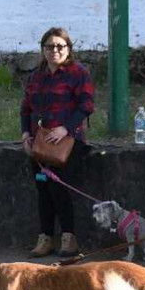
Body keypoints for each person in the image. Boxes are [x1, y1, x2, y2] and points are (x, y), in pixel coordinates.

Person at [19, 27, 95, 258]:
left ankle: (69, 238)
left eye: (60, 46)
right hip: (40, 143)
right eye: (50, 46)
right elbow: (26, 108)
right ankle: (45, 237)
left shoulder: (78, 73)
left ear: (68, 48)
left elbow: (86, 105)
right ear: (43, 50)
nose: (55, 51)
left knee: (59, 189)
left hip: (67, 143)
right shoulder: (35, 77)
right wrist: (25, 134)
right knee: (42, 189)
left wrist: (65, 128)